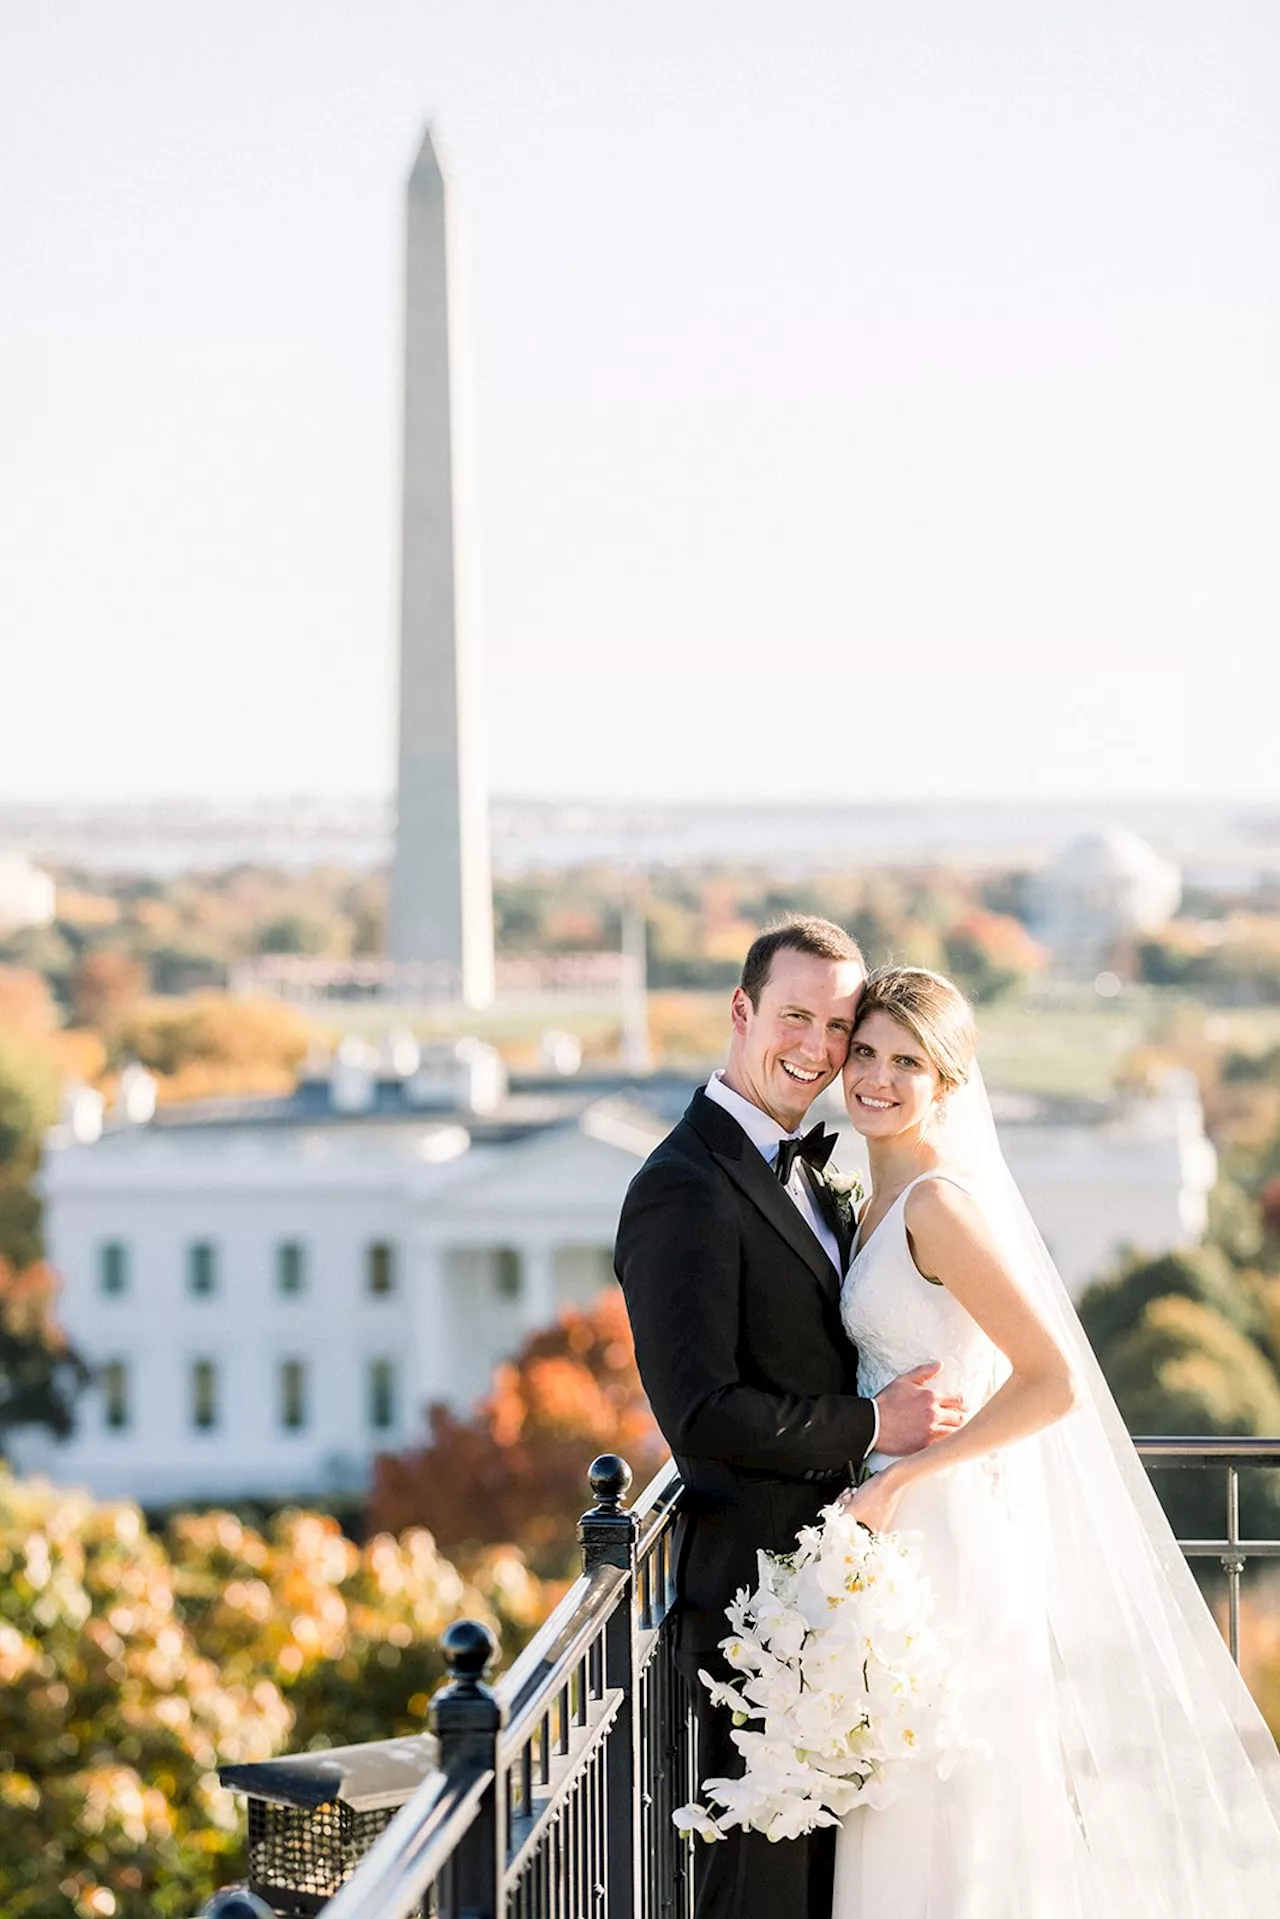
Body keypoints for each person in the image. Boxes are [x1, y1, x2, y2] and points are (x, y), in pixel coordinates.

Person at [833, 965, 1280, 1916]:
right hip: (895, 1532)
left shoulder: (936, 1208)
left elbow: (1055, 1381)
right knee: (900, 1801)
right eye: (864, 1051)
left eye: (906, 1060)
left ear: (947, 1085)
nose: (876, 1075)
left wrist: (905, 1478)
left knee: (950, 1803)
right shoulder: (871, 1199)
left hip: (939, 1531)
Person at [615, 919, 966, 1919]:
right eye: (793, 1017)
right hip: (755, 1611)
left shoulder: (822, 1167)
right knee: (760, 1893)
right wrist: (869, 1426)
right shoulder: (680, 1187)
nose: (816, 1047)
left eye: (837, 1024)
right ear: (740, 1011)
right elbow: (700, 1414)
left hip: (844, 1594)